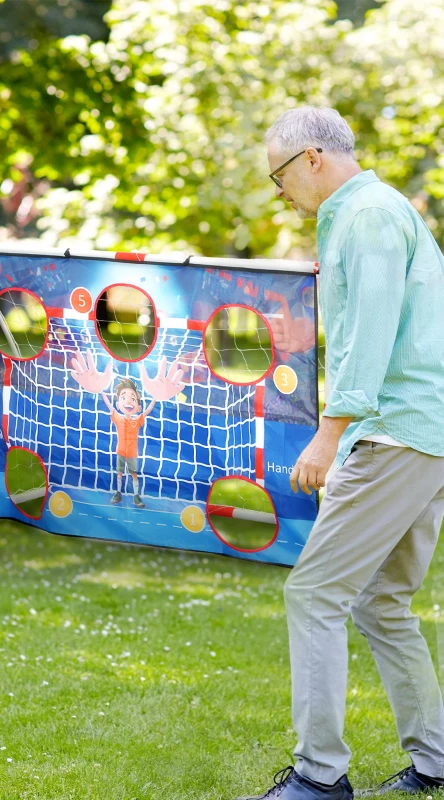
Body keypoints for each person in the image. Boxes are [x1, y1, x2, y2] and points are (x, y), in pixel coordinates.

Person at [237, 105, 444, 799]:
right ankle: (436, 761)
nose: (281, 192)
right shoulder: (369, 214)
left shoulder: (368, 216)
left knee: (316, 591)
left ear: (314, 158)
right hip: (421, 433)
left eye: (280, 177)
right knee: (382, 600)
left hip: (394, 433)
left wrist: (330, 432)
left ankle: (319, 776)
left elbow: (374, 331)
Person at [70, 350, 185, 508]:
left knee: (133, 474)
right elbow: (109, 406)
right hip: (120, 452)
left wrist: (157, 396)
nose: (128, 402)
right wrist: (99, 389)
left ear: (138, 405)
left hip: (132, 454)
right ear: (118, 403)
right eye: (123, 397)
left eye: (132, 399)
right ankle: (118, 493)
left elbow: (148, 410)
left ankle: (136, 496)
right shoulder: (118, 417)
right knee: (119, 473)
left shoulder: (137, 420)